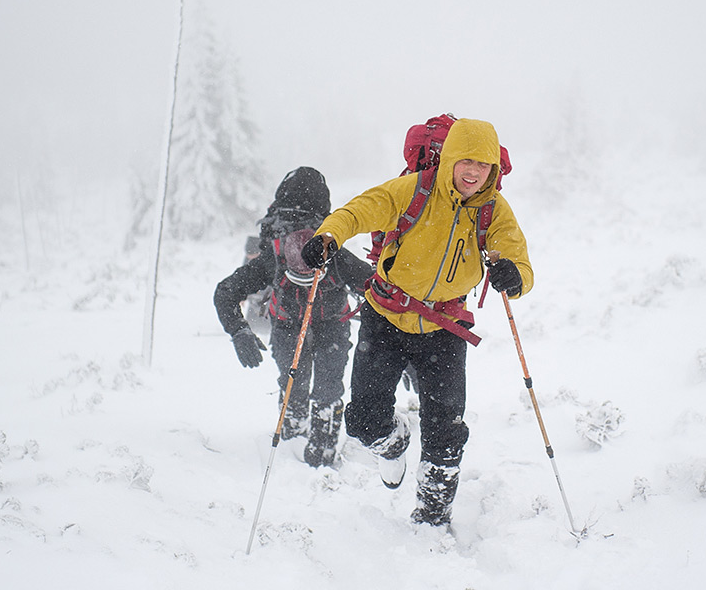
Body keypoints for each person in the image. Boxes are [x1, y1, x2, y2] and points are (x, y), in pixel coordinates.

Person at [299, 118, 532, 527]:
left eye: (483, 164)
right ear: (450, 160)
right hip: (385, 319)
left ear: (494, 169)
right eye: (466, 161)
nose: (473, 172)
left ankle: (431, 517)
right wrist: (329, 237)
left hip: (444, 330)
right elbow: (358, 211)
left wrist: (515, 275)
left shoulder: (493, 210)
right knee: (364, 422)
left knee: (446, 435)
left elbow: (517, 257)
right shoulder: (413, 190)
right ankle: (392, 444)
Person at [214, 166, 373, 468]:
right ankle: (321, 458)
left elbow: (224, 292)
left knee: (293, 386)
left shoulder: (273, 254)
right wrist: (390, 345)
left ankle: (290, 451)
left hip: (286, 324)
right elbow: (377, 293)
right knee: (328, 391)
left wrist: (239, 332)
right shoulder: (335, 255)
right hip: (332, 325)